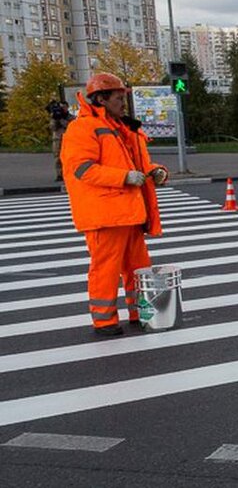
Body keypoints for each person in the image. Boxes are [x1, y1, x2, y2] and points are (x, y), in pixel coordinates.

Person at [60, 73, 169, 337]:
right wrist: (124, 178)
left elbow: (135, 165)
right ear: (101, 99)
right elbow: (81, 169)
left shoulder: (122, 128)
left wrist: (156, 171)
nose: (124, 103)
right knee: (105, 270)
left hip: (129, 211)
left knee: (138, 268)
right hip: (106, 214)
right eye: (119, 98)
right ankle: (104, 321)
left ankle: (137, 312)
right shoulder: (83, 128)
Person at [47, 99, 74, 181]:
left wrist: (62, 119)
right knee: (58, 158)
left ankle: (69, 173)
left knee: (69, 157)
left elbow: (70, 126)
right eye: (62, 107)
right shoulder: (55, 117)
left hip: (69, 139)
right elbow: (53, 127)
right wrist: (55, 118)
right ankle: (59, 174)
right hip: (57, 139)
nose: (63, 109)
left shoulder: (71, 117)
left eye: (64, 107)